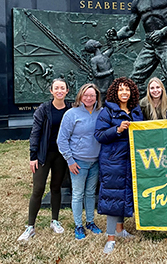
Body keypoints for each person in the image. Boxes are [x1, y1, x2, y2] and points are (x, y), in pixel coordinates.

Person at [17, 78, 71, 242]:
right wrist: (33, 155)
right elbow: (35, 132)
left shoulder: (70, 109)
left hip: (61, 155)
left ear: (67, 91)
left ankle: (55, 221)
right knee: (38, 189)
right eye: (57, 88)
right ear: (51, 91)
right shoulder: (44, 109)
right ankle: (30, 227)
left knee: (56, 187)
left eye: (62, 88)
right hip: (43, 154)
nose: (60, 91)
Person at [94, 77, 143, 254]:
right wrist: (117, 130)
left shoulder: (136, 112)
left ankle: (120, 230)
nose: (124, 93)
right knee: (113, 197)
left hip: (131, 160)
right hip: (113, 161)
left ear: (131, 93)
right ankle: (110, 238)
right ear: (115, 92)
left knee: (123, 194)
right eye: (121, 89)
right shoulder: (107, 112)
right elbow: (99, 135)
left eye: (127, 90)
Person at [57, 83, 103, 240]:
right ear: (80, 96)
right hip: (78, 162)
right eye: (86, 95)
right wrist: (70, 160)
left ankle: (90, 221)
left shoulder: (101, 113)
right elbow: (61, 140)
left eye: (92, 95)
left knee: (90, 193)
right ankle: (78, 225)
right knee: (77, 194)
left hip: (95, 161)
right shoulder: (71, 114)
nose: (89, 98)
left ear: (97, 97)